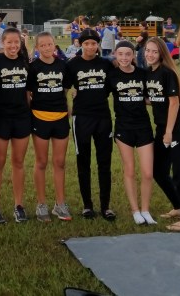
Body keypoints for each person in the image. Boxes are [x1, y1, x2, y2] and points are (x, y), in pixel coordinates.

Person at [145, 37, 180, 233]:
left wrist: (168, 133)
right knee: (158, 171)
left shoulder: (167, 73)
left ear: (161, 54)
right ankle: (178, 207)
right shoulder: (149, 73)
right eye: (148, 50)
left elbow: (174, 103)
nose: (150, 54)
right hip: (162, 128)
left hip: (177, 129)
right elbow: (156, 98)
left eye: (154, 51)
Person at [66, 28, 116, 220]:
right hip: (81, 118)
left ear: (98, 45)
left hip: (103, 117)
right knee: (83, 162)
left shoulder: (106, 64)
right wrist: (68, 106)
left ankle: (105, 206)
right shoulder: (72, 64)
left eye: (93, 43)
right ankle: (87, 205)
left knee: (104, 162)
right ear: (81, 44)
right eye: (86, 43)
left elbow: (113, 87)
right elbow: (65, 88)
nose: (90, 47)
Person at [108, 40, 156, 225]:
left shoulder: (143, 74)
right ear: (115, 54)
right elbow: (98, 94)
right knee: (129, 170)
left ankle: (145, 209)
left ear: (133, 55)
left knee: (147, 172)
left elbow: (150, 97)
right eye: (120, 54)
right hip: (123, 128)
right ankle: (135, 210)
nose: (124, 58)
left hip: (143, 127)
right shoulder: (112, 75)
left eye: (128, 54)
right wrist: (77, 94)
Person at [27, 32, 73, 222]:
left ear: (55, 45)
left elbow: (65, 89)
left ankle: (60, 204)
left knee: (60, 162)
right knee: (41, 162)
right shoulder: (33, 67)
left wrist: (65, 106)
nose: (47, 48)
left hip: (60, 117)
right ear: (37, 48)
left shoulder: (63, 65)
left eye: (50, 44)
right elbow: (28, 93)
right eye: (43, 45)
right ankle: (41, 204)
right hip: (40, 117)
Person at [0, 27, 32, 225]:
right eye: (9, 42)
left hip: (21, 117)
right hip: (1, 118)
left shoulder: (24, 61)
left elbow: (28, 90)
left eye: (16, 42)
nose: (13, 45)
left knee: (18, 162)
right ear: (2, 43)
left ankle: (19, 205)